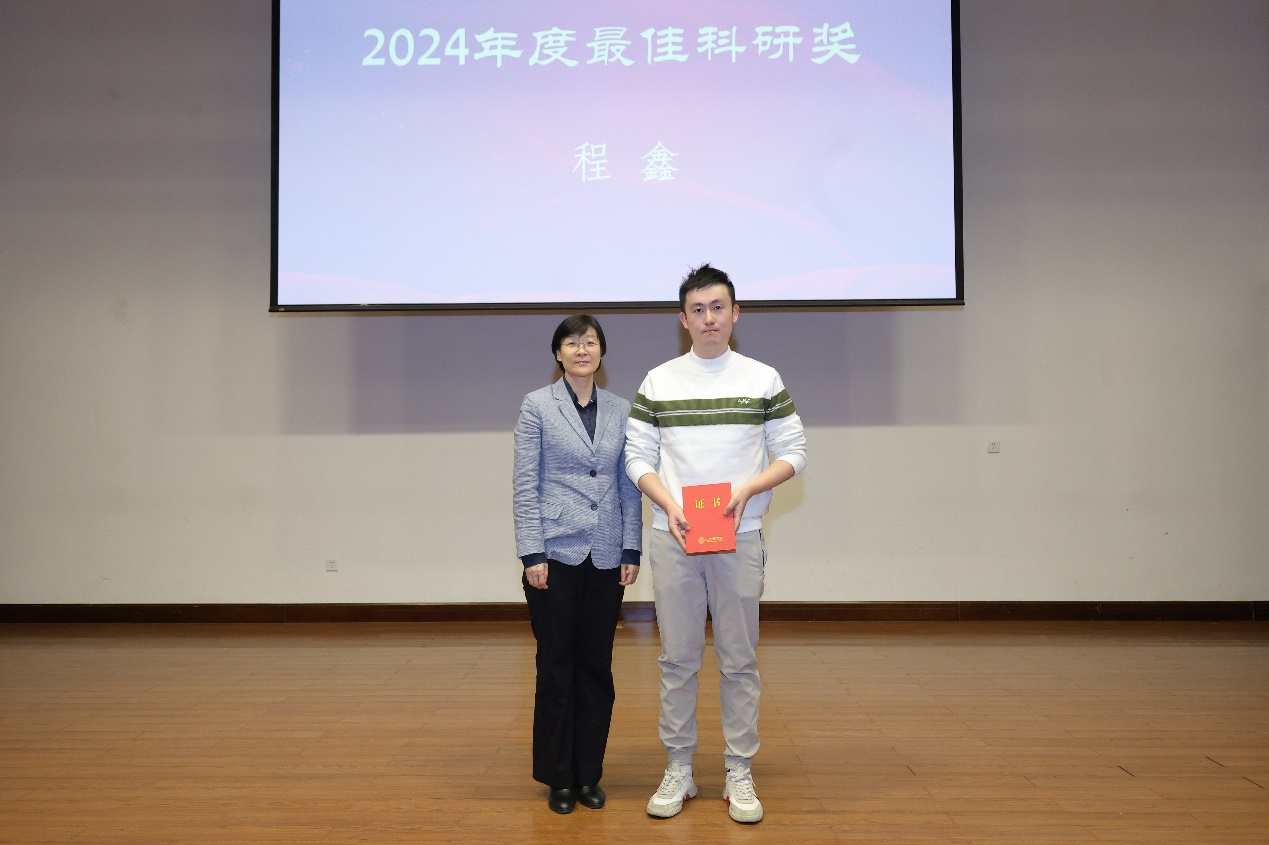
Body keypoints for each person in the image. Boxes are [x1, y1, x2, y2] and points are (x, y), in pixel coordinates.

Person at [624, 265, 807, 824]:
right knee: (677, 660)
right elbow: (637, 457)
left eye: (718, 307)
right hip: (674, 537)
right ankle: (679, 767)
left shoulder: (763, 378)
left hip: (739, 538)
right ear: (683, 320)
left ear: (735, 313)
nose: (709, 318)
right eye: (698, 310)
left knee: (739, 660)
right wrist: (669, 505)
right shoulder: (658, 382)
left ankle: (738, 770)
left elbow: (794, 451)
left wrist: (748, 489)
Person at [513, 314, 643, 815]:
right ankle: (558, 778)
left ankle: (589, 773)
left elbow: (629, 483)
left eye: (590, 341)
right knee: (555, 666)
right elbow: (525, 483)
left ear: (601, 352)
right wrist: (532, 553)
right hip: (554, 554)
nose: (582, 349)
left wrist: (631, 548)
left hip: (607, 554)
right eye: (572, 342)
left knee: (596, 667)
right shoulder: (537, 406)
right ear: (558, 353)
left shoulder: (621, 409)